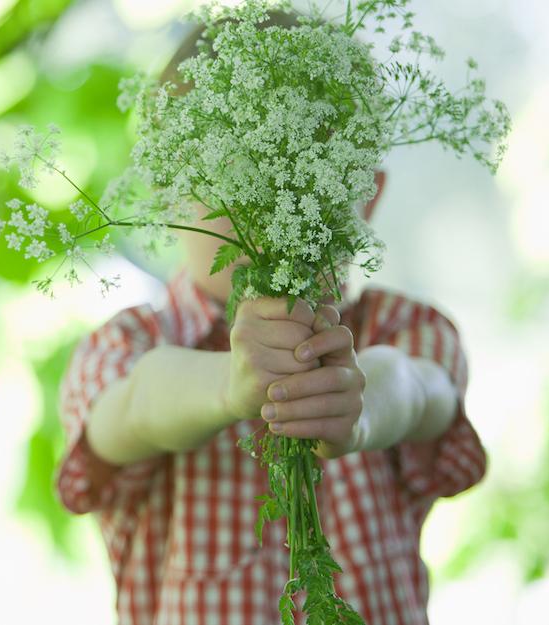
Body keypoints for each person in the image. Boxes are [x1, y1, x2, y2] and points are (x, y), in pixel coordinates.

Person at [52, 16, 487, 625]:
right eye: (234, 181)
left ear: (366, 195)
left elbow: (420, 389)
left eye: (302, 181)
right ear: (169, 192)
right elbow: (133, 406)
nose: (264, 216)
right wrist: (228, 385)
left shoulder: (396, 327)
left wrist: (360, 411)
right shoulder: (130, 345)